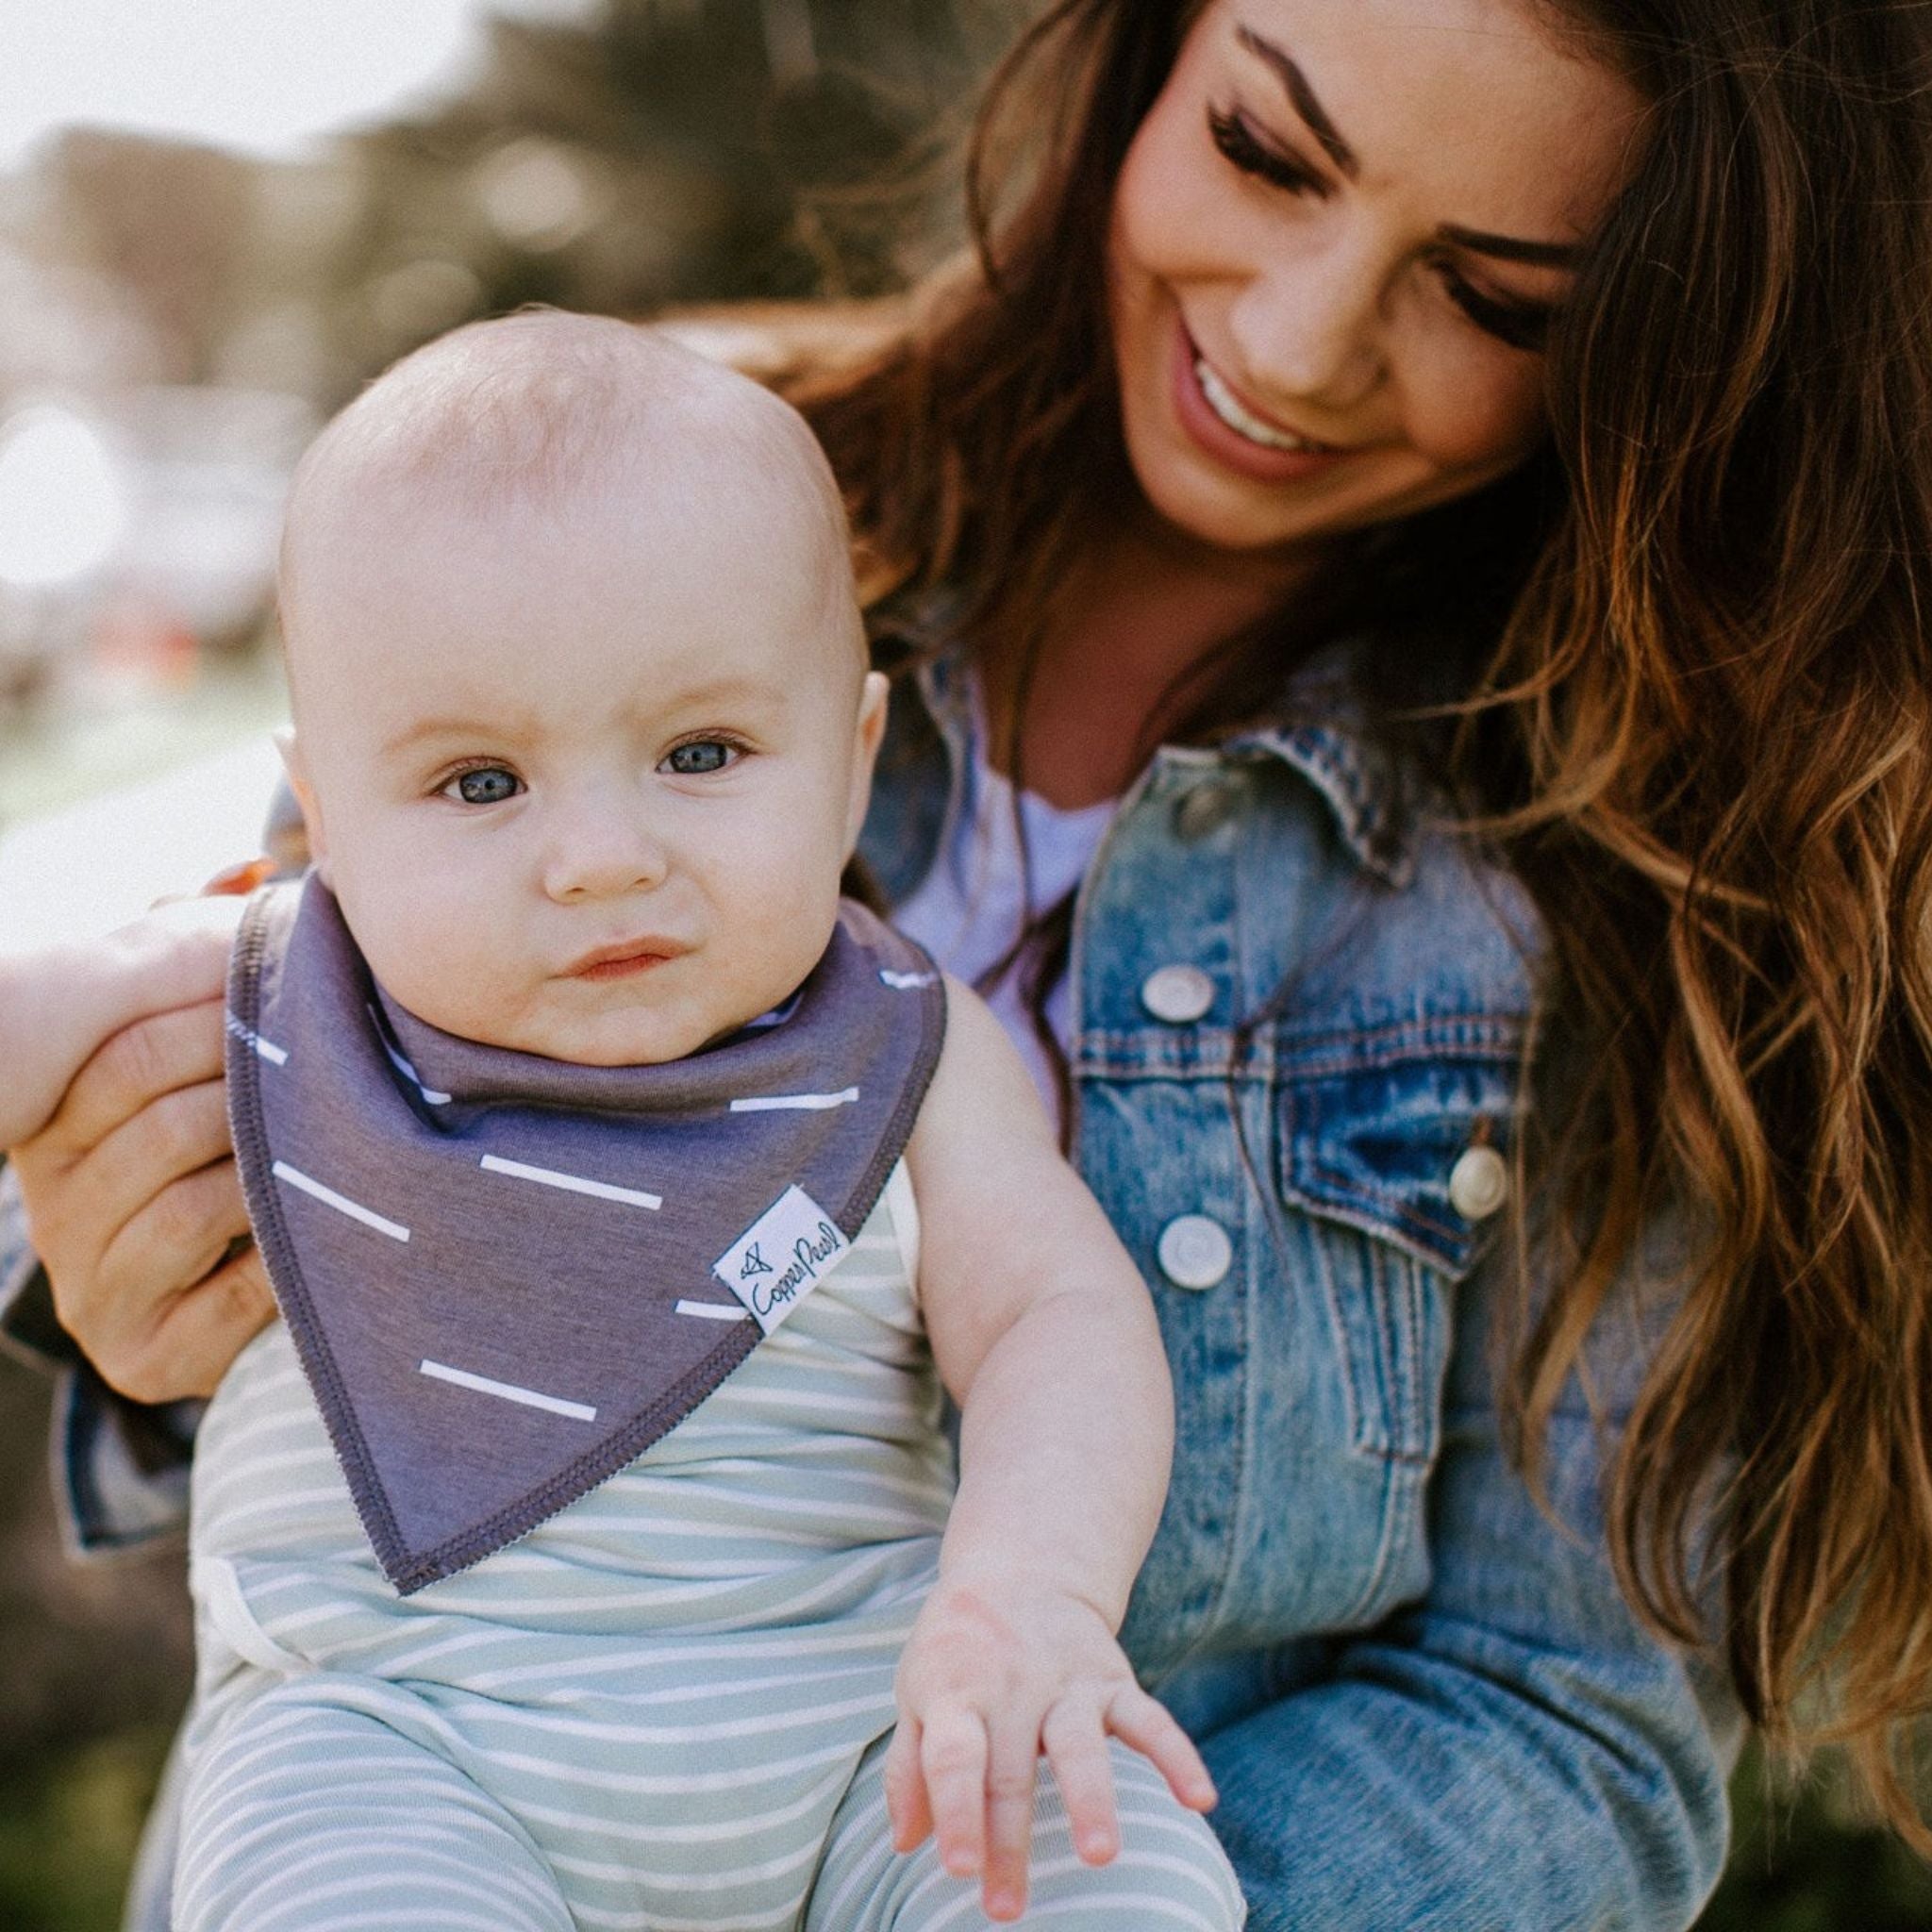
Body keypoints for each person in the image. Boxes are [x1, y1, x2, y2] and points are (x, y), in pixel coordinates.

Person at [7, 0, 1931, 1925]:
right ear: (1144, 58)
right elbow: (194, 1104)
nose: (1290, 341)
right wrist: (127, 1264)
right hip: (413, 1802)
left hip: (963, 1826)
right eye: (1265, 153)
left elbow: (1554, 1722)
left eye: (1496, 297)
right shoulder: (614, 498)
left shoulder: (1618, 878)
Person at [6, 311, 1241, 1931]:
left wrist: (1033, 1592)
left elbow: (1053, 1318)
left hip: (879, 1748)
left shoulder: (906, 1053)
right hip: (400, 1748)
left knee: (1107, 1877)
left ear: (853, 762)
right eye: (478, 785)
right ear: (324, 811)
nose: (599, 855)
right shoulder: (269, 980)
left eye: (700, 752)